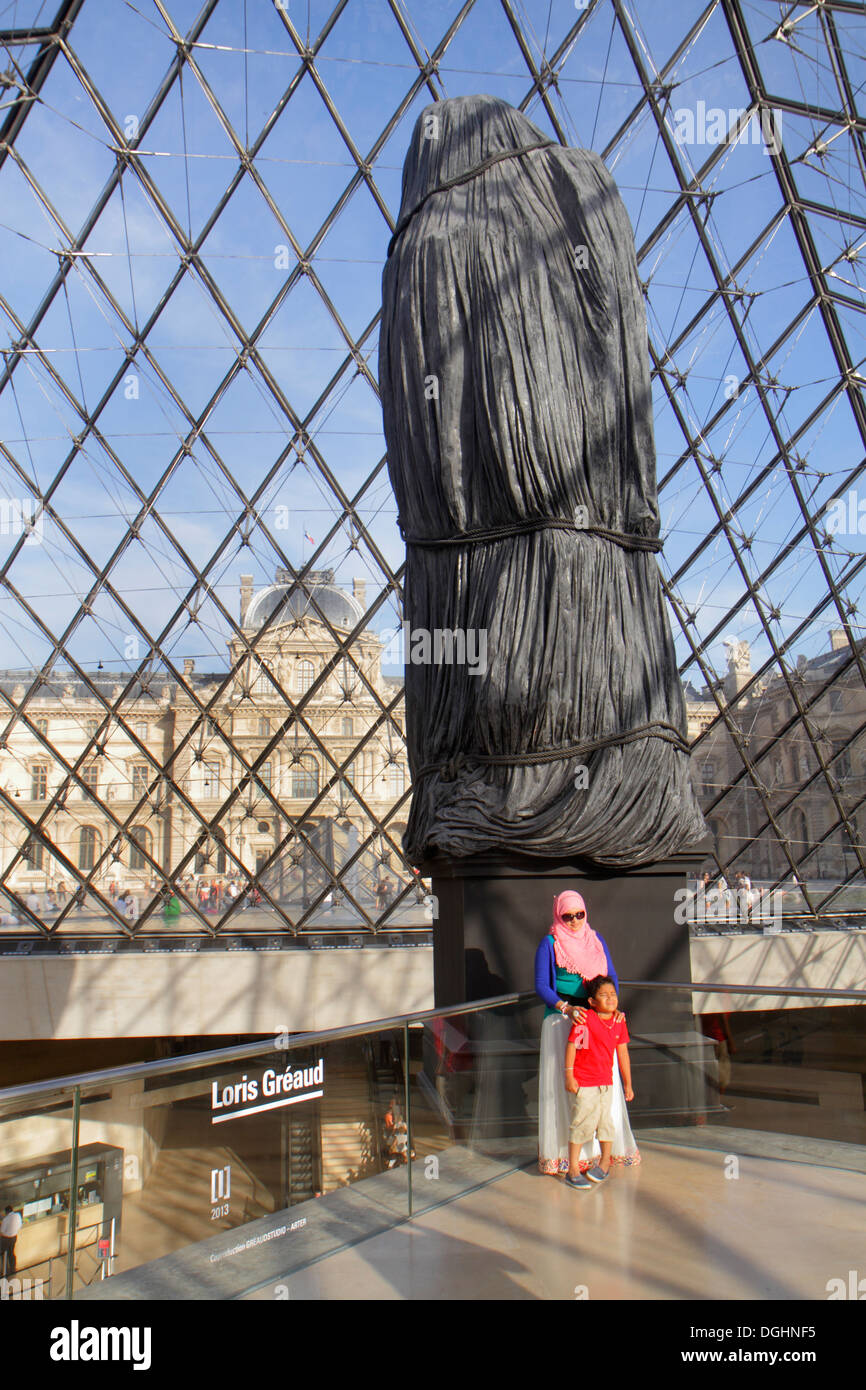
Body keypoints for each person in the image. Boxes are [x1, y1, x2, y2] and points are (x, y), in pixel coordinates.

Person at [535, 889, 622, 1175]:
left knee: (599, 1084)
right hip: (563, 1022)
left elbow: (611, 977)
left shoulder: (596, 941)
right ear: (558, 915)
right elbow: (542, 985)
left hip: (595, 1023)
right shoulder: (550, 943)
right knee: (568, 1084)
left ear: (586, 913)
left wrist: (610, 1009)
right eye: (567, 916)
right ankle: (567, 1157)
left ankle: (599, 1154)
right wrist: (566, 1008)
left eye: (579, 914)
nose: (573, 921)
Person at [564, 976, 634, 1190]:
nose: (610, 999)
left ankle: (604, 1163)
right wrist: (569, 1075)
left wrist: (628, 1084)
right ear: (593, 1001)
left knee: (606, 1122)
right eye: (604, 995)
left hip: (607, 1082)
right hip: (586, 1081)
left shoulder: (619, 1022)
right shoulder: (585, 1018)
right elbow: (573, 1045)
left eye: (613, 994)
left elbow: (622, 1053)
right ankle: (573, 1169)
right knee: (581, 1122)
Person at [0, 1205, 22, 1275]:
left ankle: (4, 1271)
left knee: (3, 1254)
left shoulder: (5, 1220)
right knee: (11, 1253)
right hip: (14, 1237)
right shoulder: (18, 1215)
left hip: (6, 1239)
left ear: (6, 1212)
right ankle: (13, 1269)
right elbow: (19, 1226)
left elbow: (2, 1232)